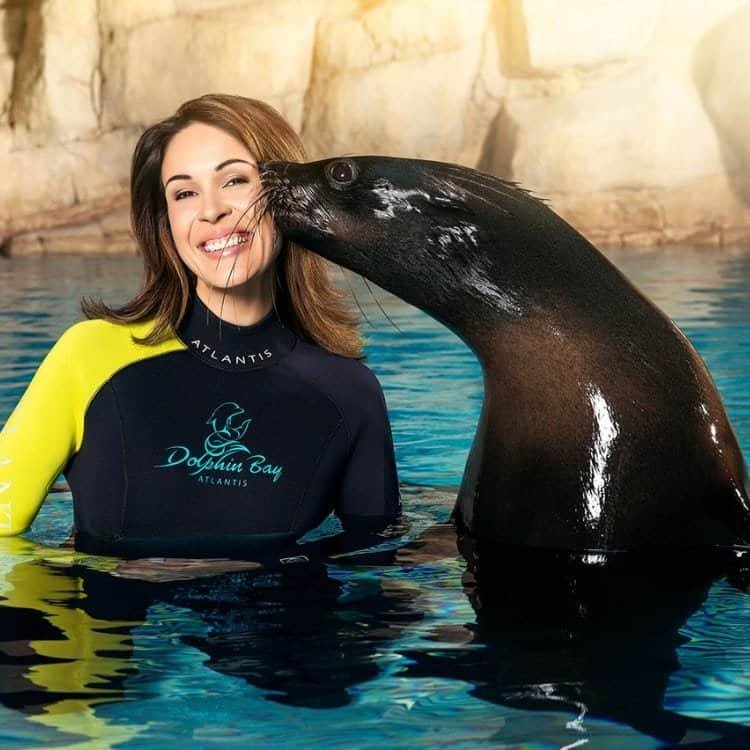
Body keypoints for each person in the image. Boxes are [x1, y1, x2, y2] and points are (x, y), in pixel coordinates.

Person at [0, 94, 402, 562]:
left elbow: (376, 585)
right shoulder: (88, 356)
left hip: (282, 632)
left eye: (234, 180)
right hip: (114, 631)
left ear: (286, 197)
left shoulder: (350, 393)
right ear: (165, 222)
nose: (211, 211)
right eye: (184, 193)